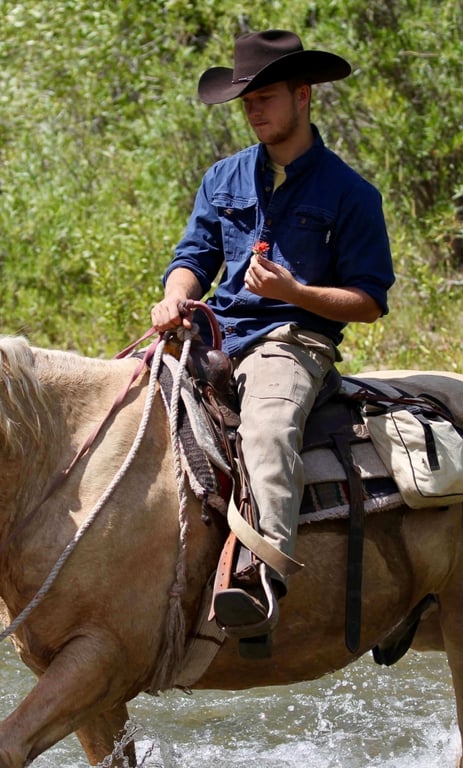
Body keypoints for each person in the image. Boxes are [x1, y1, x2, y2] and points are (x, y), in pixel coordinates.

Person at [151, 29, 395, 638]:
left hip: (290, 340)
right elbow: (194, 255)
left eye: (266, 97)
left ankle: (262, 573)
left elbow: (367, 301)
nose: (254, 110)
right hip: (214, 333)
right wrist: (175, 295)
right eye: (246, 100)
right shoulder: (224, 177)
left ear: (303, 95)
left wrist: (296, 293)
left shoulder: (351, 194)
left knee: (267, 429)